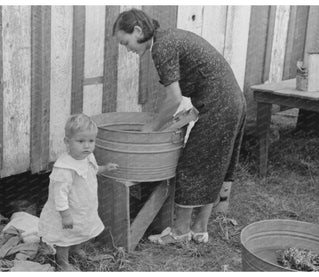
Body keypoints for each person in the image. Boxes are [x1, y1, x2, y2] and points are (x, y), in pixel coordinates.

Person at [113, 9, 246, 245]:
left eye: (126, 42)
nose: (128, 49)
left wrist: (151, 129)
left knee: (190, 166)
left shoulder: (161, 47)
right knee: (216, 163)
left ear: (137, 31)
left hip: (219, 104)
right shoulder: (168, 37)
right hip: (232, 100)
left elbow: (173, 98)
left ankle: (180, 231)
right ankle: (200, 228)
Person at [38, 114, 118, 271]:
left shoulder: (88, 157)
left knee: (82, 229)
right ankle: (62, 262)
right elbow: (59, 194)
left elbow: (91, 171)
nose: (87, 146)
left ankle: (76, 249)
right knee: (64, 237)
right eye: (80, 141)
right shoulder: (64, 167)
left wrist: (104, 168)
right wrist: (65, 214)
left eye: (91, 141)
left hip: (83, 206)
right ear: (68, 142)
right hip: (67, 210)